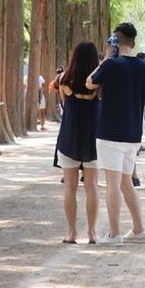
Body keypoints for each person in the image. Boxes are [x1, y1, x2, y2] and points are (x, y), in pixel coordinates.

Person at [85, 22, 145, 246]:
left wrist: (106, 57)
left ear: (114, 40)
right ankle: (138, 229)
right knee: (126, 182)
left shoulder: (111, 64)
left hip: (110, 132)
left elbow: (89, 83)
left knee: (113, 183)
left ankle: (114, 234)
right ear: (133, 42)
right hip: (133, 133)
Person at [55, 41, 100, 244]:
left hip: (69, 136)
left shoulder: (64, 80)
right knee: (92, 186)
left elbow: (65, 107)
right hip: (93, 137)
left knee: (70, 187)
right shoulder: (99, 83)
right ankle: (92, 232)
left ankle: (72, 232)